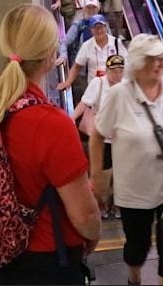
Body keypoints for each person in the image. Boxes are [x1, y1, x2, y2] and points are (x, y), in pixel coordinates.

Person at [0, 4, 101, 285]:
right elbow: (84, 214)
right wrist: (93, 233)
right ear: (49, 57)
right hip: (47, 264)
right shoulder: (52, 124)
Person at [90, 34, 163, 285]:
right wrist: (96, 175)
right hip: (134, 192)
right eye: (154, 58)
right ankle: (134, 277)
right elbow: (97, 134)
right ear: (137, 63)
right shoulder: (119, 95)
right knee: (137, 248)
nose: (161, 63)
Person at [73, 55, 125, 219]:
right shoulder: (99, 83)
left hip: (121, 138)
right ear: (107, 71)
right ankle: (100, 204)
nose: (117, 75)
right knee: (100, 176)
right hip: (102, 139)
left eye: (120, 71)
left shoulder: (127, 86)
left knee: (121, 175)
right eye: (114, 71)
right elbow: (85, 102)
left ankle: (117, 204)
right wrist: (70, 119)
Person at [57, 14, 127, 95]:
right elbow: (77, 66)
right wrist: (68, 82)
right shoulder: (87, 45)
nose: (99, 30)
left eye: (101, 27)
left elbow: (128, 63)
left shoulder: (116, 43)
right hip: (95, 91)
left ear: (106, 27)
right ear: (91, 30)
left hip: (114, 89)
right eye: (96, 28)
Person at [58, 0, 104, 105]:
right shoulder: (79, 25)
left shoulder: (104, 26)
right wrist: (63, 55)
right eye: (89, 7)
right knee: (89, 98)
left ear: (98, 9)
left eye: (94, 7)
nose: (91, 10)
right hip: (83, 70)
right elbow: (64, 42)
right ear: (84, 9)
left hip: (101, 69)